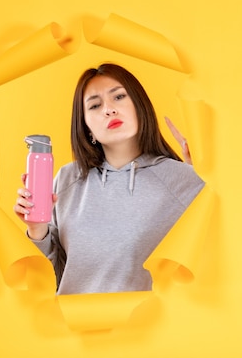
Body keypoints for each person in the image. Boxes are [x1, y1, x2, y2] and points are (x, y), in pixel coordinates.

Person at [13, 63, 205, 295]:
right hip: (72, 327)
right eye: (95, 105)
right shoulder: (67, 179)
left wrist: (211, 176)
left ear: (139, 105)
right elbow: (50, 282)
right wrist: (37, 229)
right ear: (87, 128)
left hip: (151, 328)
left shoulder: (184, 180)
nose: (109, 109)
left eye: (119, 97)